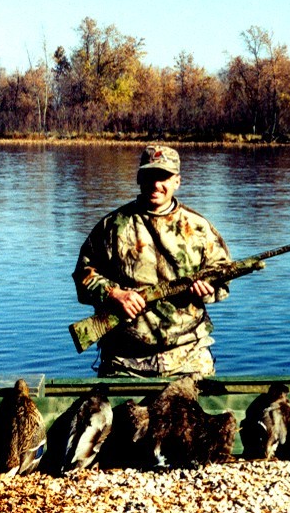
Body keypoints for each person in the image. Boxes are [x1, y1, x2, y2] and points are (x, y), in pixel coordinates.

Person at [73, 145, 231, 378]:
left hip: (188, 358)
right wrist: (115, 294)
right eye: (149, 176)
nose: (156, 185)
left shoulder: (199, 228)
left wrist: (206, 291)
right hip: (125, 361)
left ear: (177, 181)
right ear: (139, 178)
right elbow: (83, 276)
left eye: (164, 177)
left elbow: (223, 280)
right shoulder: (112, 226)